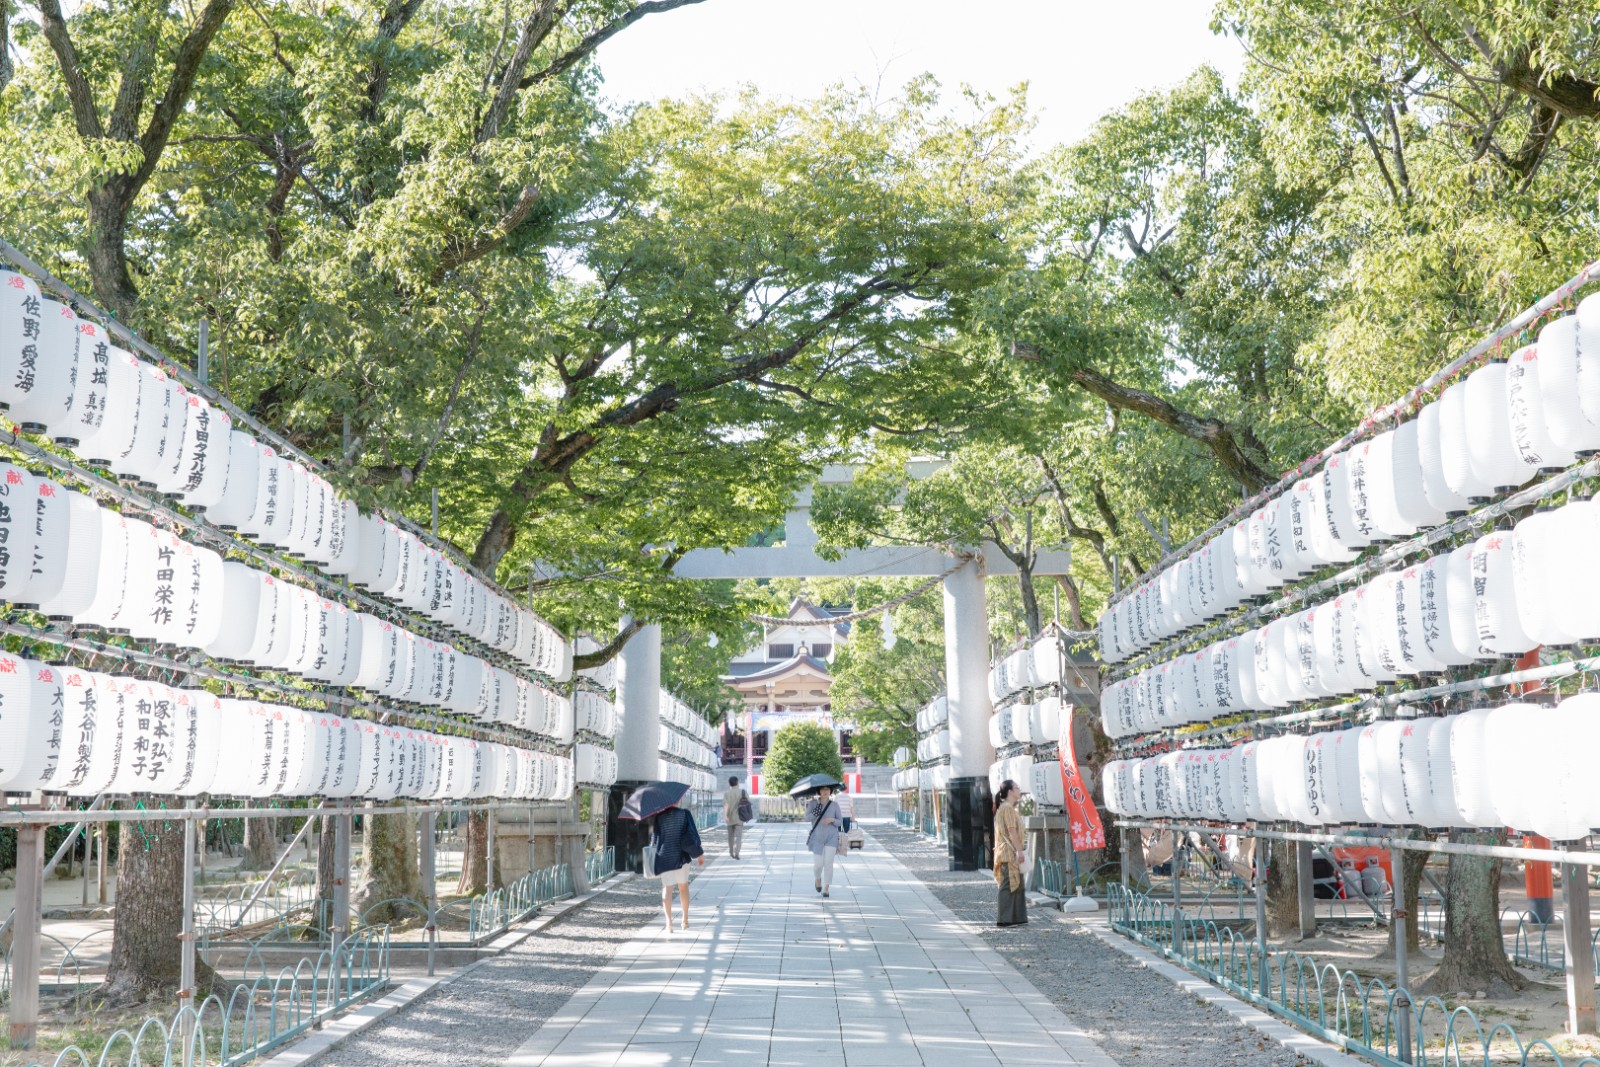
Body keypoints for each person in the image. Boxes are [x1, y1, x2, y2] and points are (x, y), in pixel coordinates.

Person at [651, 798, 705, 933]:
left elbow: (655, 840)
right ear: (678, 800)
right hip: (681, 857)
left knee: (667, 889)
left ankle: (669, 923)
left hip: (665, 857)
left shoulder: (659, 817)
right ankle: (685, 920)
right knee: (683, 887)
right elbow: (692, 836)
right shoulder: (684, 814)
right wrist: (699, 853)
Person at [993, 779, 1028, 927]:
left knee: (1017, 883)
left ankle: (1018, 918)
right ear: (1010, 791)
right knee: (1008, 884)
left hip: (1010, 851)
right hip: (1009, 852)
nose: (1019, 789)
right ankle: (1005, 919)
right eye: (1017, 787)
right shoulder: (1007, 808)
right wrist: (1019, 851)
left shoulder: (1007, 808)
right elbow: (1011, 830)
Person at [806, 785, 842, 898]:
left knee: (828, 864)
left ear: (830, 791)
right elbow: (806, 818)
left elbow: (840, 821)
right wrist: (815, 813)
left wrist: (832, 820)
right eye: (822, 789)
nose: (825, 791)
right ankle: (817, 879)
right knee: (818, 865)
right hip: (817, 838)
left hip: (831, 838)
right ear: (818, 791)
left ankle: (826, 887)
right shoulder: (813, 804)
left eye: (827, 789)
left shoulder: (834, 805)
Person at [723, 774, 749, 860]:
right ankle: (737, 852)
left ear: (729, 784)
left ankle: (731, 852)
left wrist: (725, 816)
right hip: (740, 818)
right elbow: (748, 802)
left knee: (730, 836)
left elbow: (726, 805)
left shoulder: (727, 793)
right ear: (737, 783)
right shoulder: (743, 792)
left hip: (730, 818)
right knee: (739, 837)